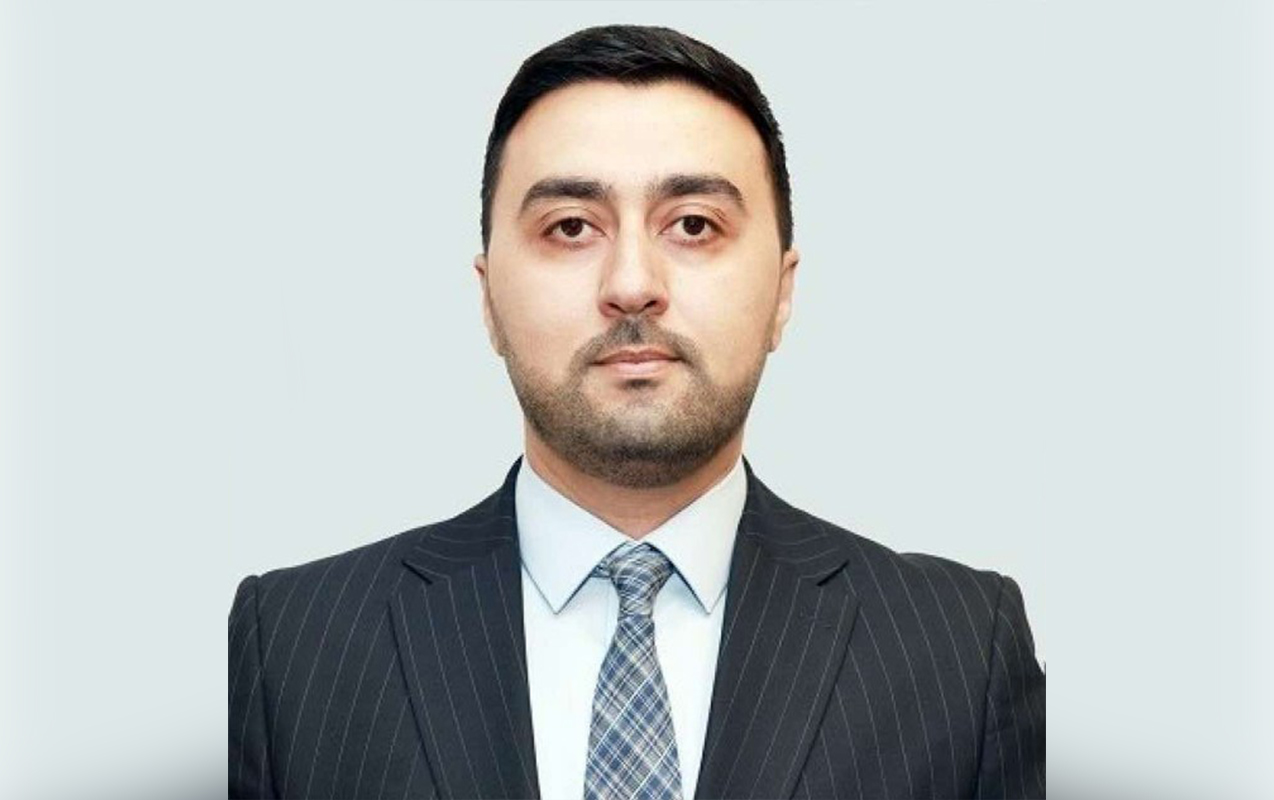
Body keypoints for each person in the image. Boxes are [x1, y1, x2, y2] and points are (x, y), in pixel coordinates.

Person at [229, 24, 1045, 800]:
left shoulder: (960, 650)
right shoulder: (292, 649)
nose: (631, 284)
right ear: (487, 298)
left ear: (782, 293)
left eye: (693, 225)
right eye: (570, 227)